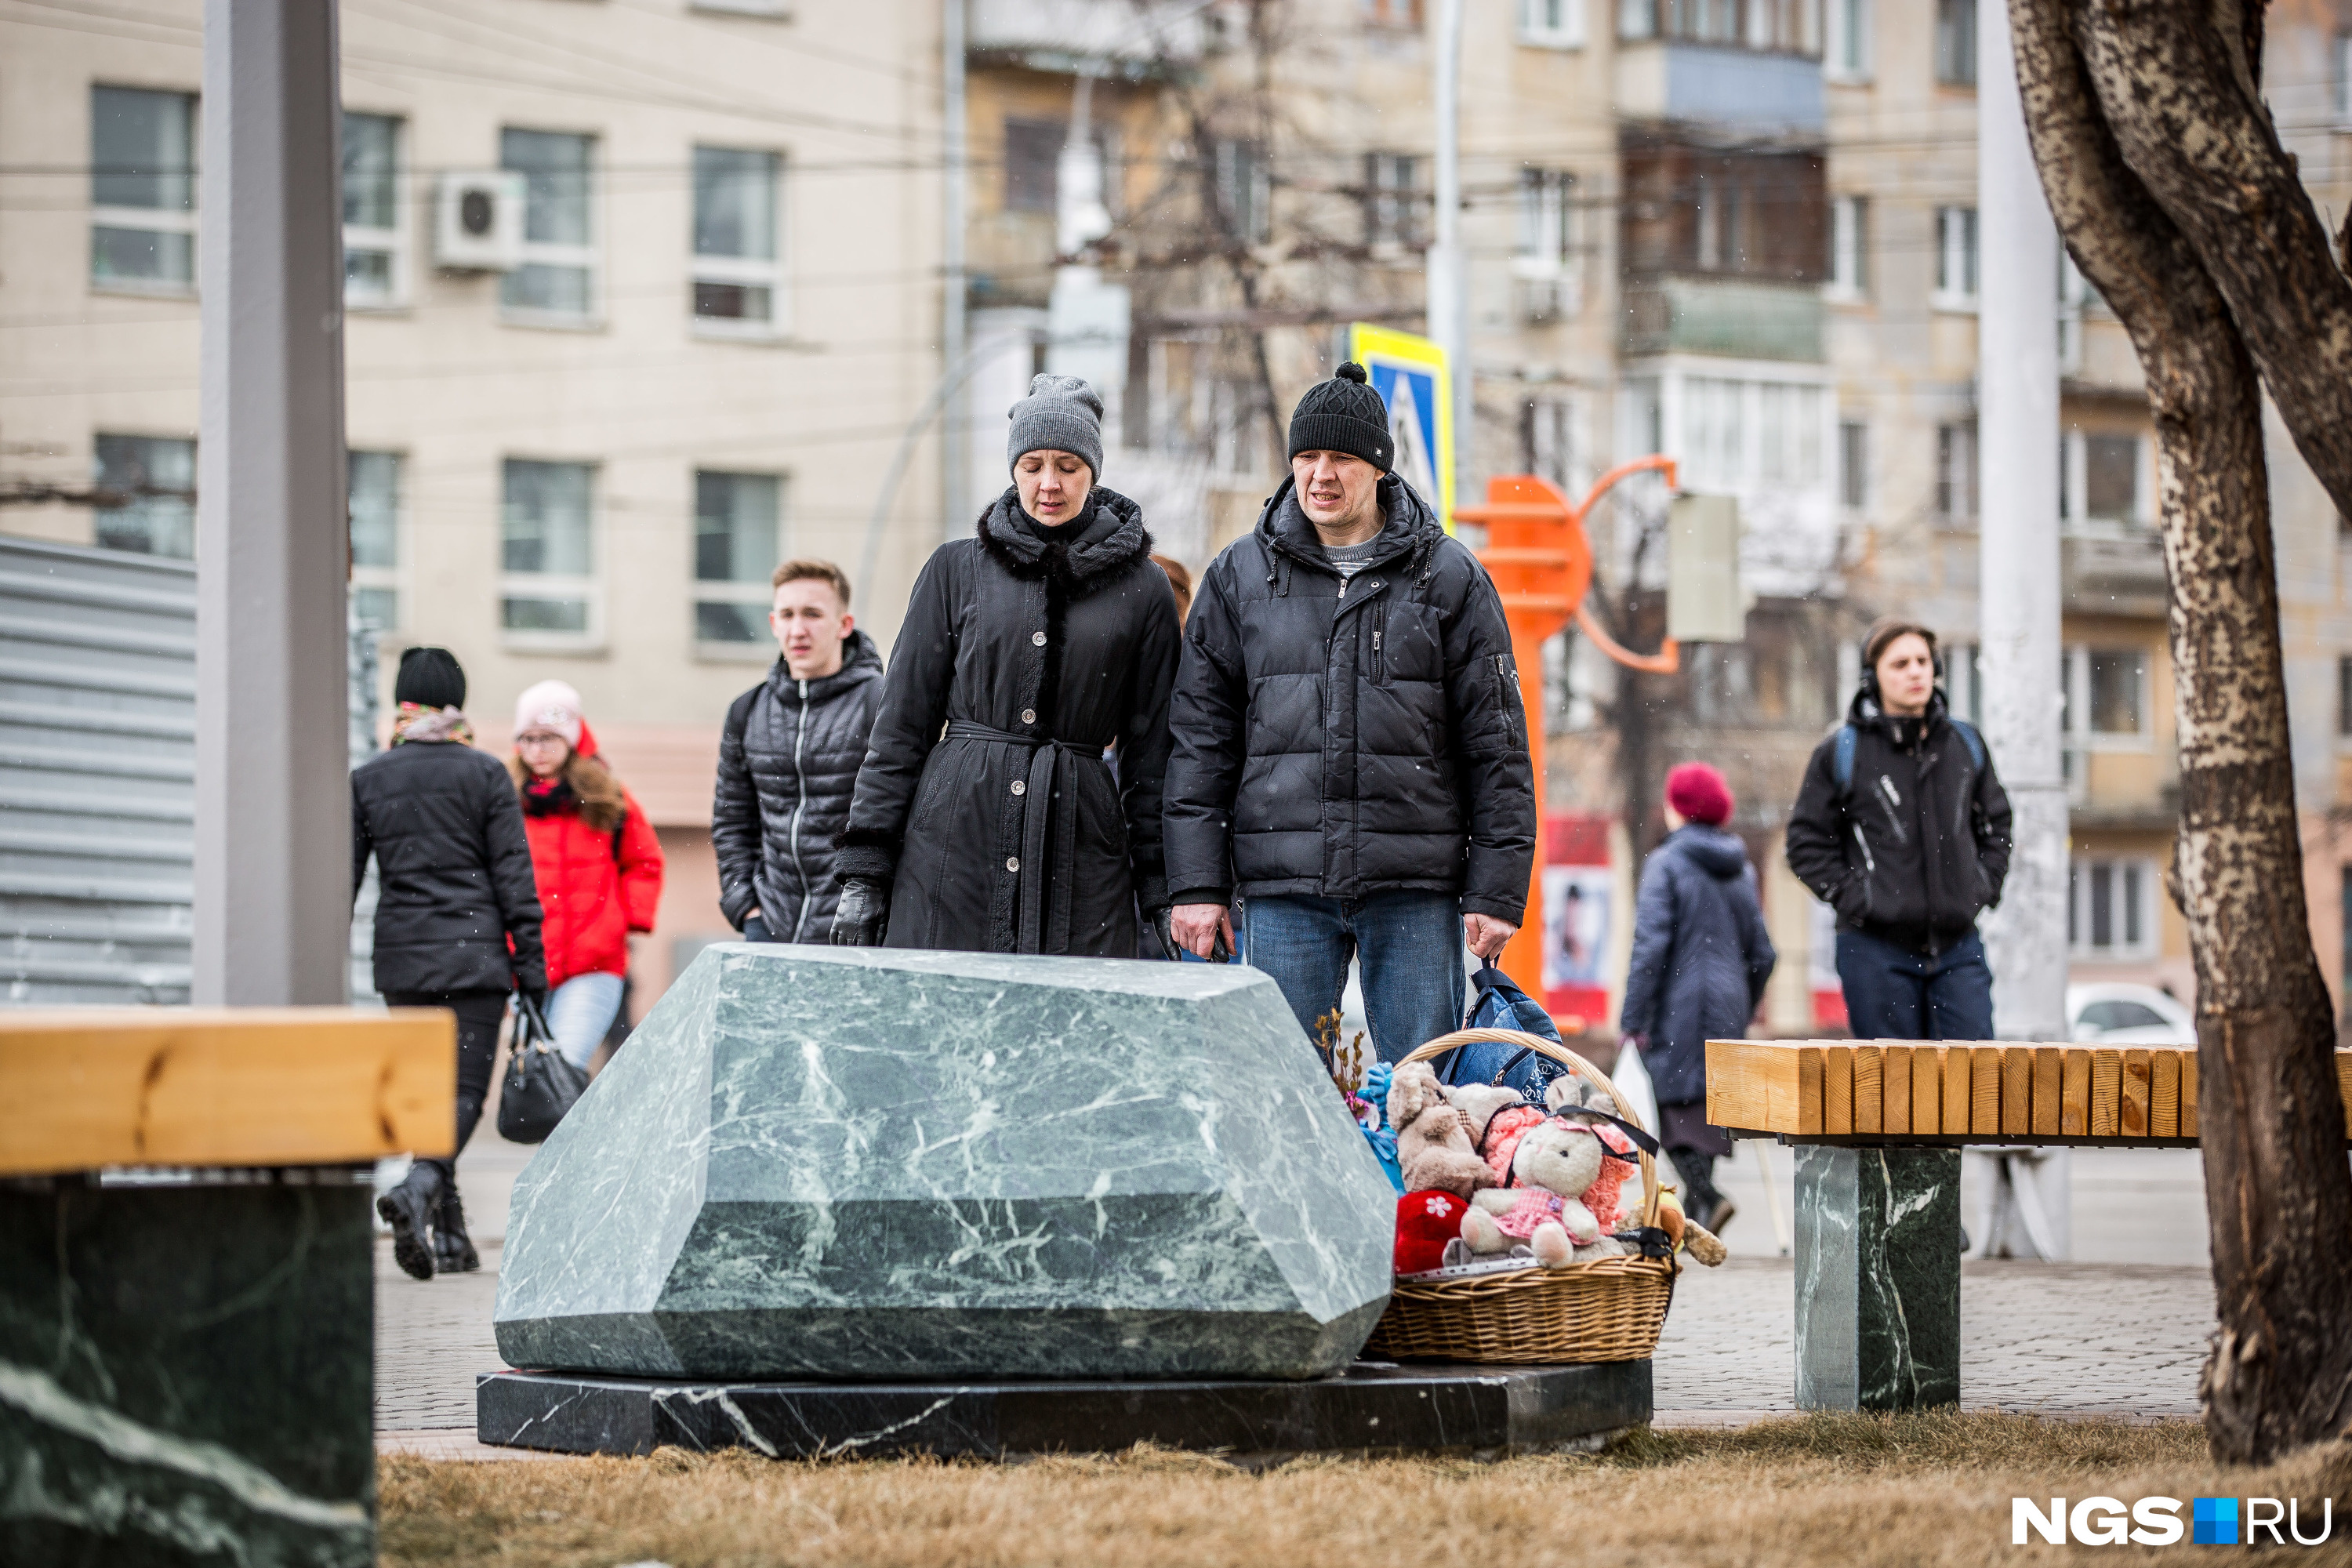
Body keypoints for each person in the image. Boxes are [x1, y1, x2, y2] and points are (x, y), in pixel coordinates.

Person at [1163, 361, 1537, 1059]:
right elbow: (1199, 745)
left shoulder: (1449, 577)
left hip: (1415, 889)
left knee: (1425, 1101)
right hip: (1282, 885)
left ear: (1378, 468)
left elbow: (1497, 747)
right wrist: (1196, 883)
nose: (1321, 475)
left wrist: (1496, 891)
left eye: (1341, 457)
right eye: (1307, 457)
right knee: (1281, 1094)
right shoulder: (1240, 576)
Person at [832, 374, 1180, 953]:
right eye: (1033, 464)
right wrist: (865, 871)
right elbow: (900, 730)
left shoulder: (1143, 589)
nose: (1049, 483)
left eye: (1068, 466)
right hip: (950, 851)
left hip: (1082, 854)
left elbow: (1153, 757)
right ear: (1013, 467)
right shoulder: (954, 569)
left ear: (1093, 471)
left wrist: (1162, 888)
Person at [352, 647, 546, 1281]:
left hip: (404, 962)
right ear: (456, 699)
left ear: (403, 700)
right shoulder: (486, 774)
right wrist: (533, 964)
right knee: (461, 1093)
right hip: (475, 957)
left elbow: (346, 878)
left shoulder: (370, 778)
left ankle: (452, 1233)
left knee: (426, 1095)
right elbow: (514, 876)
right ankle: (420, 1187)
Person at [1786, 617, 2013, 1040]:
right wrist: (1860, 900)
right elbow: (1805, 845)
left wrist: (1981, 886)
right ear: (1873, 677)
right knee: (1891, 1096)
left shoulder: (1966, 744)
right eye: (1900, 663)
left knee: (1974, 1089)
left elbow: (1997, 824)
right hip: (1875, 954)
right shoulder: (1842, 751)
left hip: (1958, 950)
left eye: (1923, 661)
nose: (1915, 672)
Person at [1617, 762, 1776, 1234]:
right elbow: (1762, 952)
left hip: (1677, 1002)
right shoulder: (1741, 868)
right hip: (1725, 1003)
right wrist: (1742, 1003)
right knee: (1705, 1102)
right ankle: (1702, 1203)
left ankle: (1706, 1196)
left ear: (1677, 809)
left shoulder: (1666, 864)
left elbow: (1650, 948)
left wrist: (1633, 1017)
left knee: (1670, 1102)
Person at [713, 560, 887, 944]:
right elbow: (732, 822)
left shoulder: (882, 703)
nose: (798, 630)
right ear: (774, 624)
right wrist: (747, 908)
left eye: (812, 614)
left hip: (856, 932)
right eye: (787, 615)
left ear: (844, 625)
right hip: (770, 928)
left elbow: (906, 820)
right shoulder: (748, 711)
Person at [508, 680, 665, 1072]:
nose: (536, 750)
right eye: (527, 739)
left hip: (593, 963)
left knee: (564, 1066)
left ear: (571, 739)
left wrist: (622, 923)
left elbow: (644, 862)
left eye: (548, 738)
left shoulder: (606, 798)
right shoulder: (505, 799)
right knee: (537, 1076)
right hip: (525, 965)